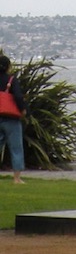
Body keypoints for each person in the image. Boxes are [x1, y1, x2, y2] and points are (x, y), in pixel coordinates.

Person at [0, 55, 27, 185]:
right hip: (11, 118)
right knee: (16, 148)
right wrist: (23, 110)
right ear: (8, 67)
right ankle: (16, 178)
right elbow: (18, 96)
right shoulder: (11, 80)